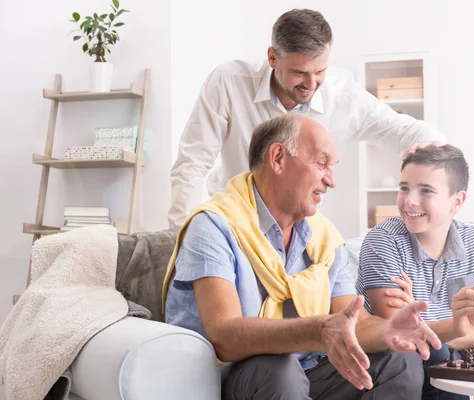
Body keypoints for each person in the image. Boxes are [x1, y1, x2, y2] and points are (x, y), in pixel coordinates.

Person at [162, 114, 457, 399]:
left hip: (304, 373)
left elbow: (351, 320)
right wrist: (319, 329)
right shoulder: (213, 226)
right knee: (278, 367)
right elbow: (224, 337)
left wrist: (387, 329)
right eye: (322, 163)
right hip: (223, 378)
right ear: (277, 158)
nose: (331, 181)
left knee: (396, 359)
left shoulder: (325, 238)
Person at [168, 8, 445, 227]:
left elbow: (404, 130)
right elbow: (192, 164)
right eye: (300, 73)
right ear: (273, 58)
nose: (311, 84)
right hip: (233, 220)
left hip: (298, 230)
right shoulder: (229, 82)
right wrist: (186, 234)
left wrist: (427, 147)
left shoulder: (344, 97)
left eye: (320, 71)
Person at [356, 145, 474, 400]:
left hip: (448, 350)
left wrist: (444, 331)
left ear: (457, 201)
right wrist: (459, 327)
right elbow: (402, 334)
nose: (409, 200)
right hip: (402, 360)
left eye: (426, 191)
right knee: (438, 355)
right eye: (404, 188)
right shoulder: (383, 241)